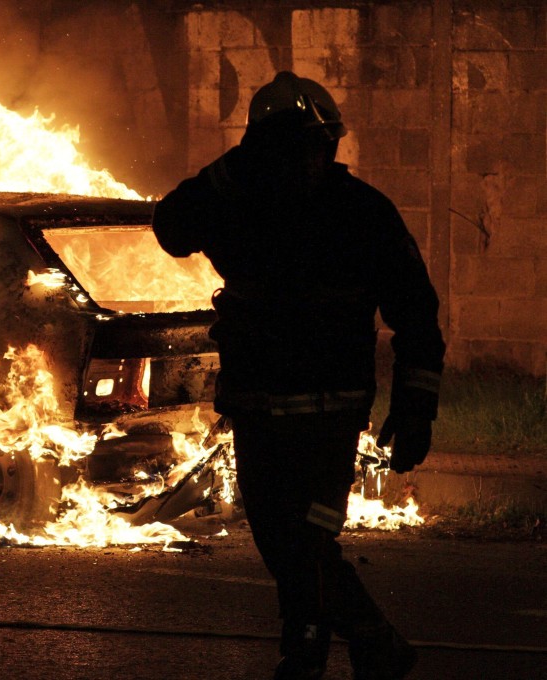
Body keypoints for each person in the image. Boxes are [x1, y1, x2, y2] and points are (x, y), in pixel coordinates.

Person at [152, 71, 445, 679]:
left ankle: (328, 643)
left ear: (331, 145)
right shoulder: (238, 200)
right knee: (277, 533)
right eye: (292, 146)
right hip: (261, 408)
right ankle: (352, 639)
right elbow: (171, 228)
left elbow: (416, 311)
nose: (308, 158)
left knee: (307, 534)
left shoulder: (362, 212)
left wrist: (418, 407)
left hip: (331, 416)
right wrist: (231, 170)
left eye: (316, 144)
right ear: (265, 148)